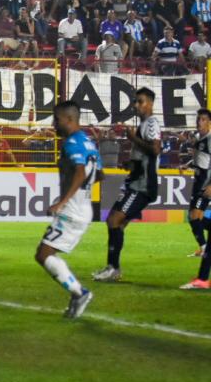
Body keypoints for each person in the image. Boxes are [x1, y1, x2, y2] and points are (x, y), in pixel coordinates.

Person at [35, 101, 100, 318]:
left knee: (44, 254)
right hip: (83, 207)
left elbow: (81, 173)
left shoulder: (71, 143)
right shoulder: (89, 143)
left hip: (72, 210)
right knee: (45, 253)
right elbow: (99, 175)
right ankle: (77, 294)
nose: (54, 124)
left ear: (70, 120)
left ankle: (79, 292)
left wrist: (62, 202)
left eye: (57, 119)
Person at [93, 88, 161, 282]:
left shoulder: (152, 123)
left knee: (114, 220)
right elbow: (145, 156)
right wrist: (130, 164)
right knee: (117, 223)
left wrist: (133, 139)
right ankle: (113, 268)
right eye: (135, 102)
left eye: (140, 101)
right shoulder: (145, 124)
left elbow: (155, 150)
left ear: (150, 103)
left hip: (143, 184)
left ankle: (113, 268)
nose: (136, 105)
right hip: (137, 180)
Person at [183, 109, 211, 267]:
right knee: (194, 217)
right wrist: (186, 166)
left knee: (194, 217)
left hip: (205, 185)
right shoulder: (201, 139)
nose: (199, 122)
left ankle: (204, 248)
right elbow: (200, 160)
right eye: (198, 119)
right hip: (198, 182)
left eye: (203, 119)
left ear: (209, 122)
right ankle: (203, 248)